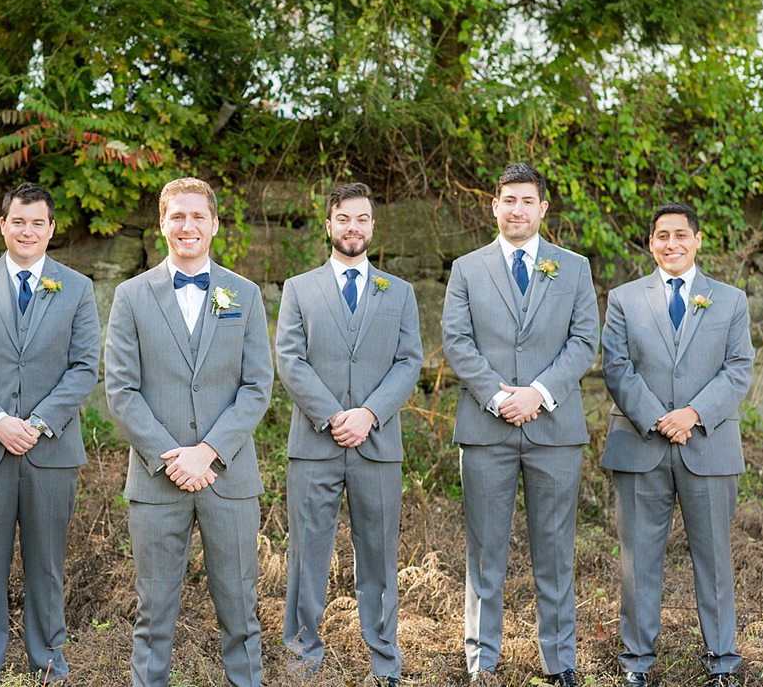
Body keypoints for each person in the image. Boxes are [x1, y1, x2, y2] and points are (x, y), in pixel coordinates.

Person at [104, 177, 273, 687]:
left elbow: (256, 386)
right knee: (153, 614)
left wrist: (209, 452)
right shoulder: (131, 297)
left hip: (230, 478)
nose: (188, 226)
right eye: (177, 216)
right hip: (158, 481)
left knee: (240, 611)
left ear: (215, 224)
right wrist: (172, 456)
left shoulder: (243, 294)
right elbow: (122, 390)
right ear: (162, 224)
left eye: (198, 216)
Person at [441, 162, 598, 686]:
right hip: (487, 430)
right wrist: (497, 397)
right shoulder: (467, 268)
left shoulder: (573, 267)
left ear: (542, 208)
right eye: (508, 199)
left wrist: (540, 394)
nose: (517, 209)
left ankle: (561, 662)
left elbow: (583, 343)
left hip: (554, 429)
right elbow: (458, 343)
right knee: (485, 550)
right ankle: (482, 662)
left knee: (555, 549)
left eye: (527, 201)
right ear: (494, 205)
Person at [0, 182, 100, 683]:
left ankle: (49, 665)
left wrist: (35, 424)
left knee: (47, 566)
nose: (27, 230)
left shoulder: (77, 288)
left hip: (49, 451)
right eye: (18, 221)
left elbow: (83, 368)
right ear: (2, 226)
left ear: (52, 229)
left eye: (38, 222)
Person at [601, 203, 753, 687]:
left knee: (713, 558)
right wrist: (657, 418)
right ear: (651, 243)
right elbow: (616, 368)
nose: (672, 243)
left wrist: (692, 414)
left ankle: (722, 662)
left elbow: (738, 368)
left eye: (681, 235)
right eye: (662, 235)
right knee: (638, 559)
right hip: (639, 443)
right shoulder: (624, 299)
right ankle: (636, 664)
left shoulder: (730, 300)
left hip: (708, 445)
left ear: (698, 240)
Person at [276, 182, 422, 686]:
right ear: (329, 225)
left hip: (378, 445)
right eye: (343, 218)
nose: (353, 227)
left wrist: (369, 414)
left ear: (372, 227)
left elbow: (409, 362)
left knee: (379, 558)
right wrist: (336, 415)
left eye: (362, 218)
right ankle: (301, 662)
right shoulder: (299, 288)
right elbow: (289, 360)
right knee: (305, 558)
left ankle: (384, 665)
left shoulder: (398, 292)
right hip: (315, 445)